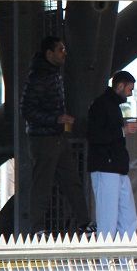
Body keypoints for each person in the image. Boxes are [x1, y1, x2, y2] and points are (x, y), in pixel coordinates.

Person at [20, 36, 94, 235]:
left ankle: (84, 223)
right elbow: (26, 110)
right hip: (43, 139)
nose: (64, 53)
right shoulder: (37, 77)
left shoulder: (53, 75)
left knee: (72, 181)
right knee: (42, 183)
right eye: (60, 49)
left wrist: (59, 121)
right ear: (49, 53)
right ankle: (37, 228)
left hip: (58, 137)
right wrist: (56, 119)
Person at [86, 70, 137, 237]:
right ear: (120, 86)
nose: (130, 94)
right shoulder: (101, 104)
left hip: (117, 167)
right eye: (129, 89)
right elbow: (94, 135)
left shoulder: (112, 106)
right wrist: (122, 130)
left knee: (128, 217)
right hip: (105, 167)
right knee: (107, 217)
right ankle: (105, 253)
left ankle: (125, 252)